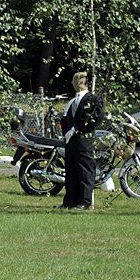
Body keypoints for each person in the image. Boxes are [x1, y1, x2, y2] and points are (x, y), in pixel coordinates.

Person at [59, 72, 104, 210]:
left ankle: (85, 201)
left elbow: (96, 117)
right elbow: (65, 119)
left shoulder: (93, 99)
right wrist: (66, 132)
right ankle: (70, 201)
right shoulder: (72, 100)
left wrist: (77, 129)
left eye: (74, 80)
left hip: (84, 141)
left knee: (85, 171)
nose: (72, 83)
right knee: (71, 172)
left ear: (80, 82)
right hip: (70, 142)